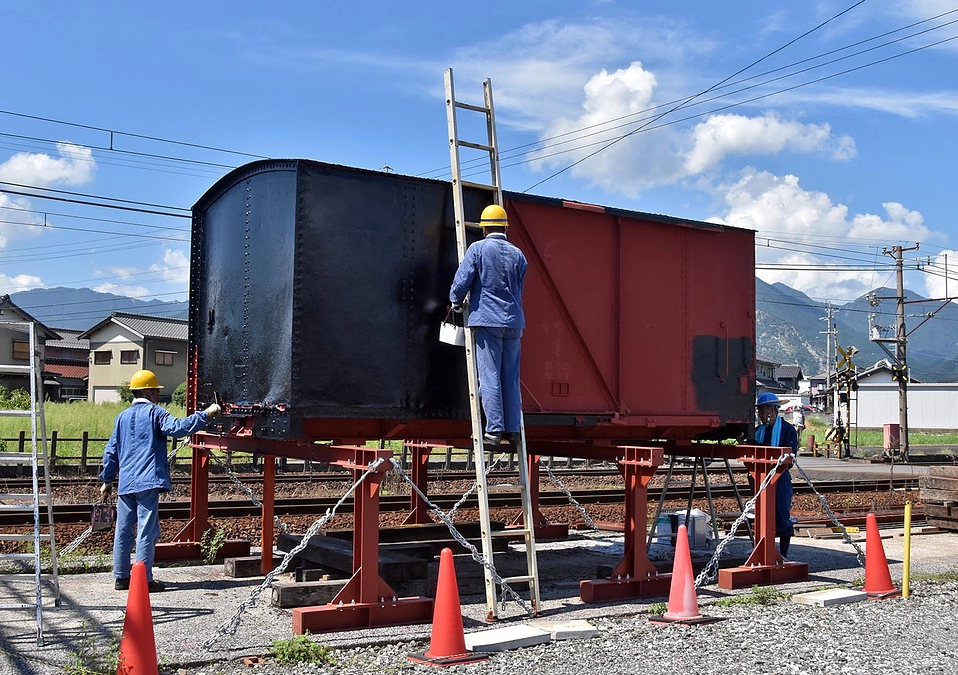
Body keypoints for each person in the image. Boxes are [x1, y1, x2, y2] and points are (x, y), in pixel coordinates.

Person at [98, 369, 220, 592]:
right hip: (147, 481)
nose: (156, 393)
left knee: (123, 530)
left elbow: (111, 452)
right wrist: (206, 414)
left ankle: (121, 577)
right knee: (146, 530)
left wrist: (107, 479)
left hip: (125, 483)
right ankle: (144, 580)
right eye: (155, 390)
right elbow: (178, 428)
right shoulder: (155, 413)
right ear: (147, 390)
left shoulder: (121, 418)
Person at [449, 203, 527, 446]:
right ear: (505, 227)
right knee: (510, 378)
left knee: (490, 376)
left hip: (487, 320)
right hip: (514, 322)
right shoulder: (518, 254)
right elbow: (520, 289)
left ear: (484, 228)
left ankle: (493, 431)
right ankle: (513, 430)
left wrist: (455, 302)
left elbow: (462, 281)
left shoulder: (477, 249)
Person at [754, 392, 798, 557]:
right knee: (761, 517)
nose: (759, 414)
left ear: (772, 410)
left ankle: (784, 553)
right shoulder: (759, 431)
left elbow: (790, 458)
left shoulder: (788, 430)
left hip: (780, 479)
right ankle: (764, 551)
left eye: (761, 410)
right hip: (761, 478)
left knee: (781, 515)